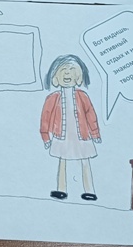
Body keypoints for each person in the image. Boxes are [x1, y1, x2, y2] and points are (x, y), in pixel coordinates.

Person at [39, 54, 101, 201]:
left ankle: (89, 191)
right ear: (55, 77)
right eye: (63, 70)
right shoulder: (52, 98)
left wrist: (95, 134)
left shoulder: (83, 96)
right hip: (62, 136)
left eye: (72, 70)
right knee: (62, 161)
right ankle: (61, 190)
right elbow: (45, 118)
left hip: (82, 136)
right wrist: (45, 137)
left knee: (85, 161)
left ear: (79, 76)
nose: (67, 74)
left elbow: (91, 115)